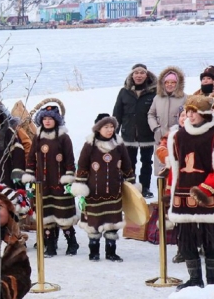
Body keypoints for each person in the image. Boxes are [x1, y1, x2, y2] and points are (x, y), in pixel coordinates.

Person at [167, 95, 214, 290]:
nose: (189, 115)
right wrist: (170, 189)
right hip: (183, 194)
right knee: (186, 239)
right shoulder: (178, 136)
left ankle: (212, 280)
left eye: (193, 111)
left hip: (209, 194)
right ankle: (194, 278)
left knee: (212, 239)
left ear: (204, 113)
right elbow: (175, 165)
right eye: (187, 112)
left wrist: (206, 188)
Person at [72, 113, 135, 262]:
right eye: (106, 127)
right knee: (93, 223)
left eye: (112, 126)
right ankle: (93, 252)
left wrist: (131, 181)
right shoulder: (90, 145)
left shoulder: (118, 144)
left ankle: (111, 252)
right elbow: (82, 165)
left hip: (114, 192)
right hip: (94, 192)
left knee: (112, 222)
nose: (109, 130)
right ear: (98, 128)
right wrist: (80, 183)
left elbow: (126, 163)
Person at [22, 101, 79, 256]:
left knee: (63, 215)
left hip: (60, 184)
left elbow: (69, 160)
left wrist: (69, 178)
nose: (47, 121)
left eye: (51, 118)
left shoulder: (64, 138)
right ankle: (51, 246)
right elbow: (31, 159)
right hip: (42, 183)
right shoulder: (38, 138)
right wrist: (30, 175)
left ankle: (72, 243)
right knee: (46, 215)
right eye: (45, 118)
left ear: (56, 120)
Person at [112, 63, 158, 198]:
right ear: (132, 75)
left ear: (147, 75)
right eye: (136, 73)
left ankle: (145, 188)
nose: (139, 75)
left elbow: (156, 112)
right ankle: (130, 187)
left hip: (147, 134)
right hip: (128, 134)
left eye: (142, 73)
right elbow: (117, 113)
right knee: (129, 162)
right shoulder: (124, 92)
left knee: (147, 162)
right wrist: (114, 132)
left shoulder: (154, 92)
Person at [156, 106, 187, 264]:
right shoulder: (171, 134)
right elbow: (161, 149)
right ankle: (183, 248)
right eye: (182, 115)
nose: (184, 118)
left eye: (188, 115)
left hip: (195, 179)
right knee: (179, 216)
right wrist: (171, 158)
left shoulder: (203, 134)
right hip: (176, 180)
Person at [148, 67, 187, 176]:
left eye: (173, 82)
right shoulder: (157, 98)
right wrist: (155, 128)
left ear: (178, 83)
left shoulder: (185, 98)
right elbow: (151, 114)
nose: (170, 85)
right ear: (163, 83)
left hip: (177, 138)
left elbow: (188, 115)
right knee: (161, 169)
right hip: (160, 136)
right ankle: (161, 191)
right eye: (167, 82)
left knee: (176, 167)